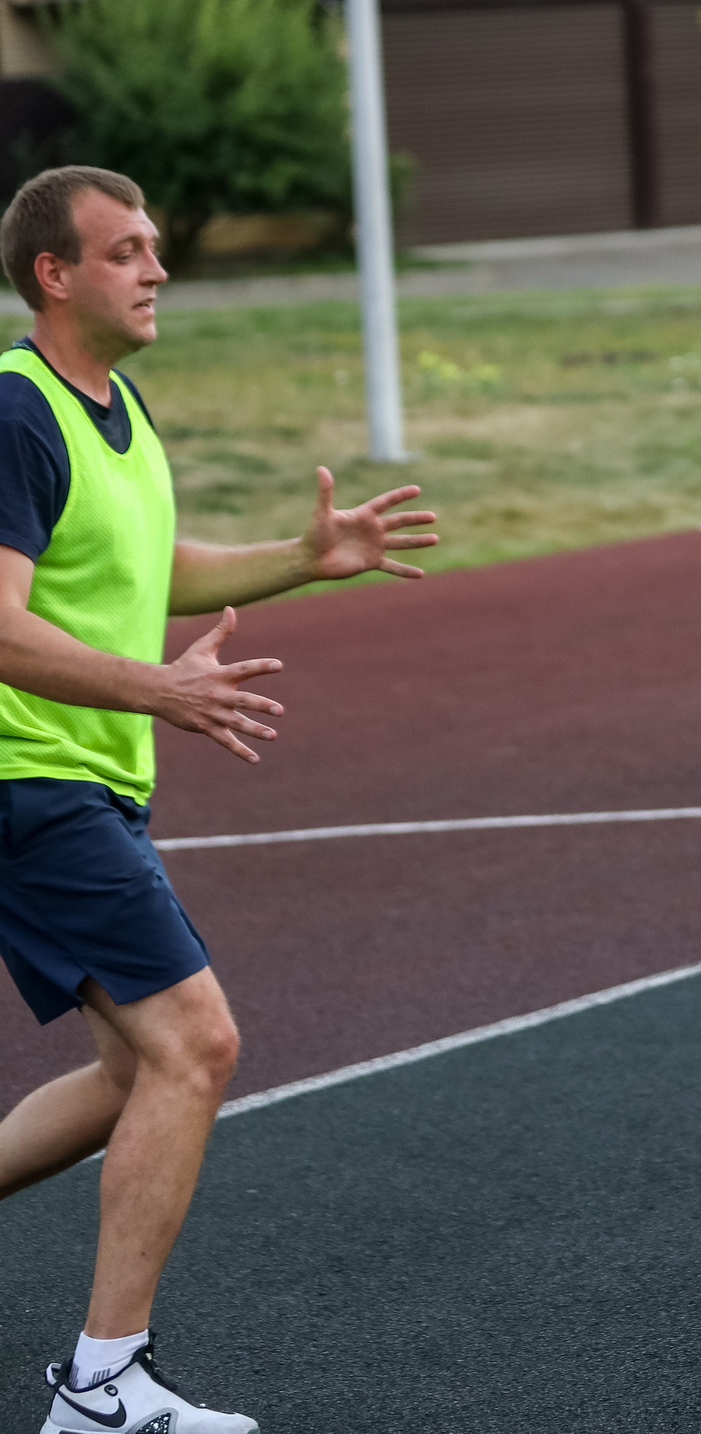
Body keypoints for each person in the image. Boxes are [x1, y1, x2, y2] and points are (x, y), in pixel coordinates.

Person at [0, 167, 437, 1434]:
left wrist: (304, 559)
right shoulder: (18, 412)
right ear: (56, 274)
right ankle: (101, 1386)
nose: (157, 270)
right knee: (198, 1045)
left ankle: (103, 1381)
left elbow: (149, 567)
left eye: (156, 248)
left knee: (132, 1072)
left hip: (83, 784)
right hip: (33, 781)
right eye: (126, 251)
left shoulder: (115, 407)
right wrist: (157, 692)